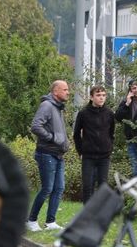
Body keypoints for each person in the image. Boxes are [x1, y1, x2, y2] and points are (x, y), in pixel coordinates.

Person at [27, 80, 70, 231]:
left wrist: (64, 142)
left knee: (59, 188)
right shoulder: (47, 105)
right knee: (47, 188)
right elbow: (36, 126)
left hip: (57, 154)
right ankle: (31, 220)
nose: (68, 92)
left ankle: (50, 222)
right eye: (65, 89)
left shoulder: (57, 107)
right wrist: (52, 138)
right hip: (46, 153)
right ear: (55, 91)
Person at [73, 85, 116, 203]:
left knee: (103, 187)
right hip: (88, 156)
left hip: (104, 157)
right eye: (98, 95)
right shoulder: (83, 113)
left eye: (103, 95)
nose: (101, 98)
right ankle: (87, 216)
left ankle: (99, 215)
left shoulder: (109, 113)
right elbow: (76, 134)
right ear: (91, 97)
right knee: (87, 186)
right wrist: (80, 151)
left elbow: (111, 133)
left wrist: (109, 148)